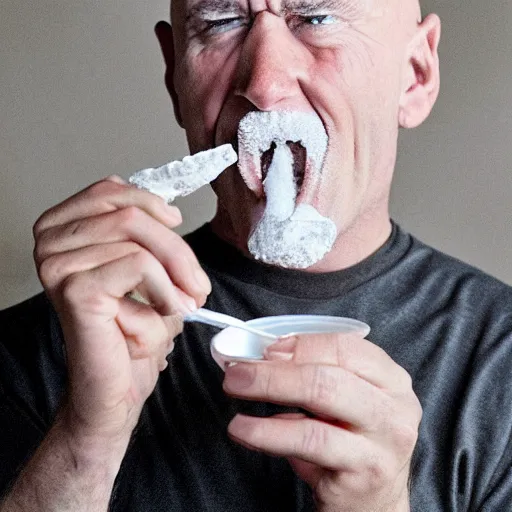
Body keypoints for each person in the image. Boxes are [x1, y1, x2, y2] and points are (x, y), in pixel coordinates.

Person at [1, 0, 511, 510]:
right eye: (222, 23)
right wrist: (85, 445)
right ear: (175, 76)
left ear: (415, 75)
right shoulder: (36, 350)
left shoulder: (501, 365)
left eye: (316, 18)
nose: (263, 85)